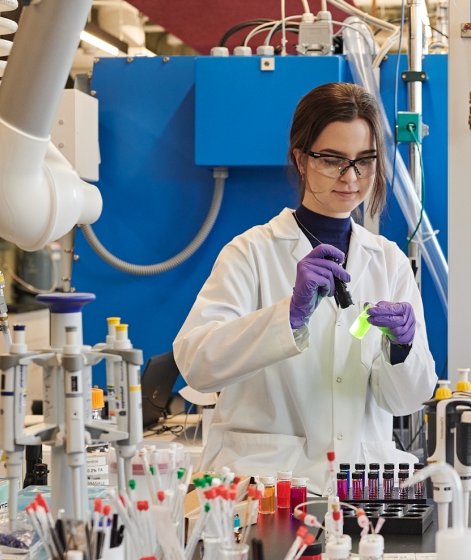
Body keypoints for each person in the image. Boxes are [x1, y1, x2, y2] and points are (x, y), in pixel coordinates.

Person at [174, 82, 436, 488]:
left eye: (364, 160)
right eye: (332, 160)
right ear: (300, 158)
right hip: (266, 486)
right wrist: (286, 316)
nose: (351, 177)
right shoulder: (251, 252)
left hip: (358, 487)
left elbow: (407, 400)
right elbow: (196, 365)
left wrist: (402, 350)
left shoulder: (389, 262)